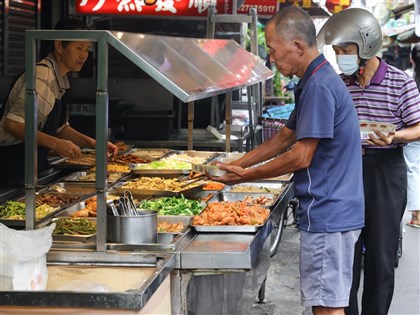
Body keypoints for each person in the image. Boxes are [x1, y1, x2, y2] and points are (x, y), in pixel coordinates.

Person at [209, 6, 364, 315]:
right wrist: (236, 163)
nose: (271, 58)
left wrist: (242, 177)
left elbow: (301, 155)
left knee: (327, 307)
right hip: (333, 209)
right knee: (328, 303)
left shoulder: (319, 85)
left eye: (273, 50)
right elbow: (284, 138)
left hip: (329, 212)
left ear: (296, 46)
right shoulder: (313, 80)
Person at [317, 8, 420, 315]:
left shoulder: (401, 83)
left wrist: (396, 137)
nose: (340, 58)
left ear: (366, 47)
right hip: (346, 172)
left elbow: (418, 127)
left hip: (385, 172)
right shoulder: (339, 84)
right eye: (336, 51)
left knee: (380, 254)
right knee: (344, 253)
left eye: (345, 50)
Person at [0, 18, 118, 188]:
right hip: (10, 166)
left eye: (86, 49)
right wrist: (56, 144)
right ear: (59, 45)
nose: (84, 55)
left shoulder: (60, 79)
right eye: (78, 48)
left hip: (31, 167)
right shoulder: (42, 76)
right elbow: (13, 125)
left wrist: (93, 144)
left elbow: (60, 128)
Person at [404, 44, 420, 228]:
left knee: (413, 169)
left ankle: (417, 215)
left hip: (414, 129)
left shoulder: (407, 78)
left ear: (411, 59)